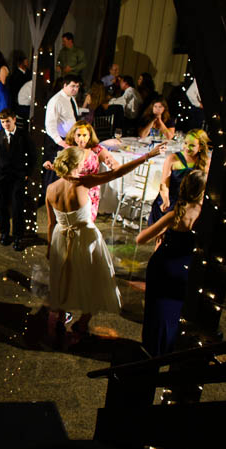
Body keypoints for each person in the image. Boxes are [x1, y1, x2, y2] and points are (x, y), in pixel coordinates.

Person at [45, 143, 166, 339]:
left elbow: (51, 223)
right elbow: (117, 173)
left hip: (61, 236)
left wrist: (50, 246)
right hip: (85, 238)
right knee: (94, 280)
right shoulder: (83, 183)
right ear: (78, 164)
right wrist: (147, 156)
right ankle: (83, 322)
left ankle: (60, 318)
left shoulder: (51, 188)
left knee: (64, 279)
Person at [137, 170, 206, 356]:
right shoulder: (205, 217)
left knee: (156, 310)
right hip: (185, 269)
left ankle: (151, 349)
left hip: (163, 265)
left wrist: (163, 234)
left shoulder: (176, 214)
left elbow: (141, 239)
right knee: (175, 312)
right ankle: (168, 349)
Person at [44, 120, 121, 221]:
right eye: (78, 135)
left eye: (84, 135)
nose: (81, 138)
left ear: (89, 136)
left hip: (90, 192)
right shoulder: (69, 150)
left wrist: (112, 164)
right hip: (73, 190)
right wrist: (52, 166)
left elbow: (113, 162)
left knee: (87, 222)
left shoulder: (96, 149)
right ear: (74, 136)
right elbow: (62, 168)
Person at [0, 109, 36, 251]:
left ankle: (18, 236)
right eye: (3, 122)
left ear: (14, 119)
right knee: (1, 206)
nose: (5, 124)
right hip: (1, 176)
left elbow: (33, 155)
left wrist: (27, 173)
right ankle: (4, 233)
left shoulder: (23, 135)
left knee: (17, 207)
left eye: (8, 121)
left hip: (18, 176)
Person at [148, 129, 210, 226]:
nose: (187, 147)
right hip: (170, 201)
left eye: (192, 145)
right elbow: (164, 184)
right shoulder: (173, 158)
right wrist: (165, 199)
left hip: (189, 205)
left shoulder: (206, 163)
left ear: (201, 147)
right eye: (185, 143)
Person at [43, 74, 82, 193]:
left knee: (65, 173)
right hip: (58, 142)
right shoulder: (56, 100)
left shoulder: (71, 99)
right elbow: (50, 125)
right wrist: (61, 142)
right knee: (55, 173)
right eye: (72, 86)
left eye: (77, 86)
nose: (75, 89)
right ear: (65, 85)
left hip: (69, 140)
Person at [7, 52, 31, 127]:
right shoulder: (15, 76)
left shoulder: (29, 73)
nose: (27, 63)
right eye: (26, 61)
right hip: (18, 104)